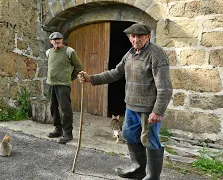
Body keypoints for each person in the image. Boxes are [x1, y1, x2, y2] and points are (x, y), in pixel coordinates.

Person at [78, 23, 172, 180]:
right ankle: (138, 169)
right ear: (129, 38)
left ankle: (153, 176)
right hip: (131, 106)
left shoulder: (157, 54)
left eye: (140, 36)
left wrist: (158, 110)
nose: (136, 39)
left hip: (148, 109)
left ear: (148, 36)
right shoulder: (130, 54)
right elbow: (115, 73)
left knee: (150, 140)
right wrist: (91, 79)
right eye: (133, 36)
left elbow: (165, 87)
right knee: (129, 135)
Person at [46, 32, 83, 144]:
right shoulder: (49, 52)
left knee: (65, 109)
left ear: (62, 40)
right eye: (54, 39)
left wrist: (69, 78)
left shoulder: (69, 51)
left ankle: (68, 133)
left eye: (59, 39)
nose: (57, 41)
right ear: (51, 41)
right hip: (51, 84)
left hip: (63, 85)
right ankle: (58, 129)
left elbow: (78, 67)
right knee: (53, 107)